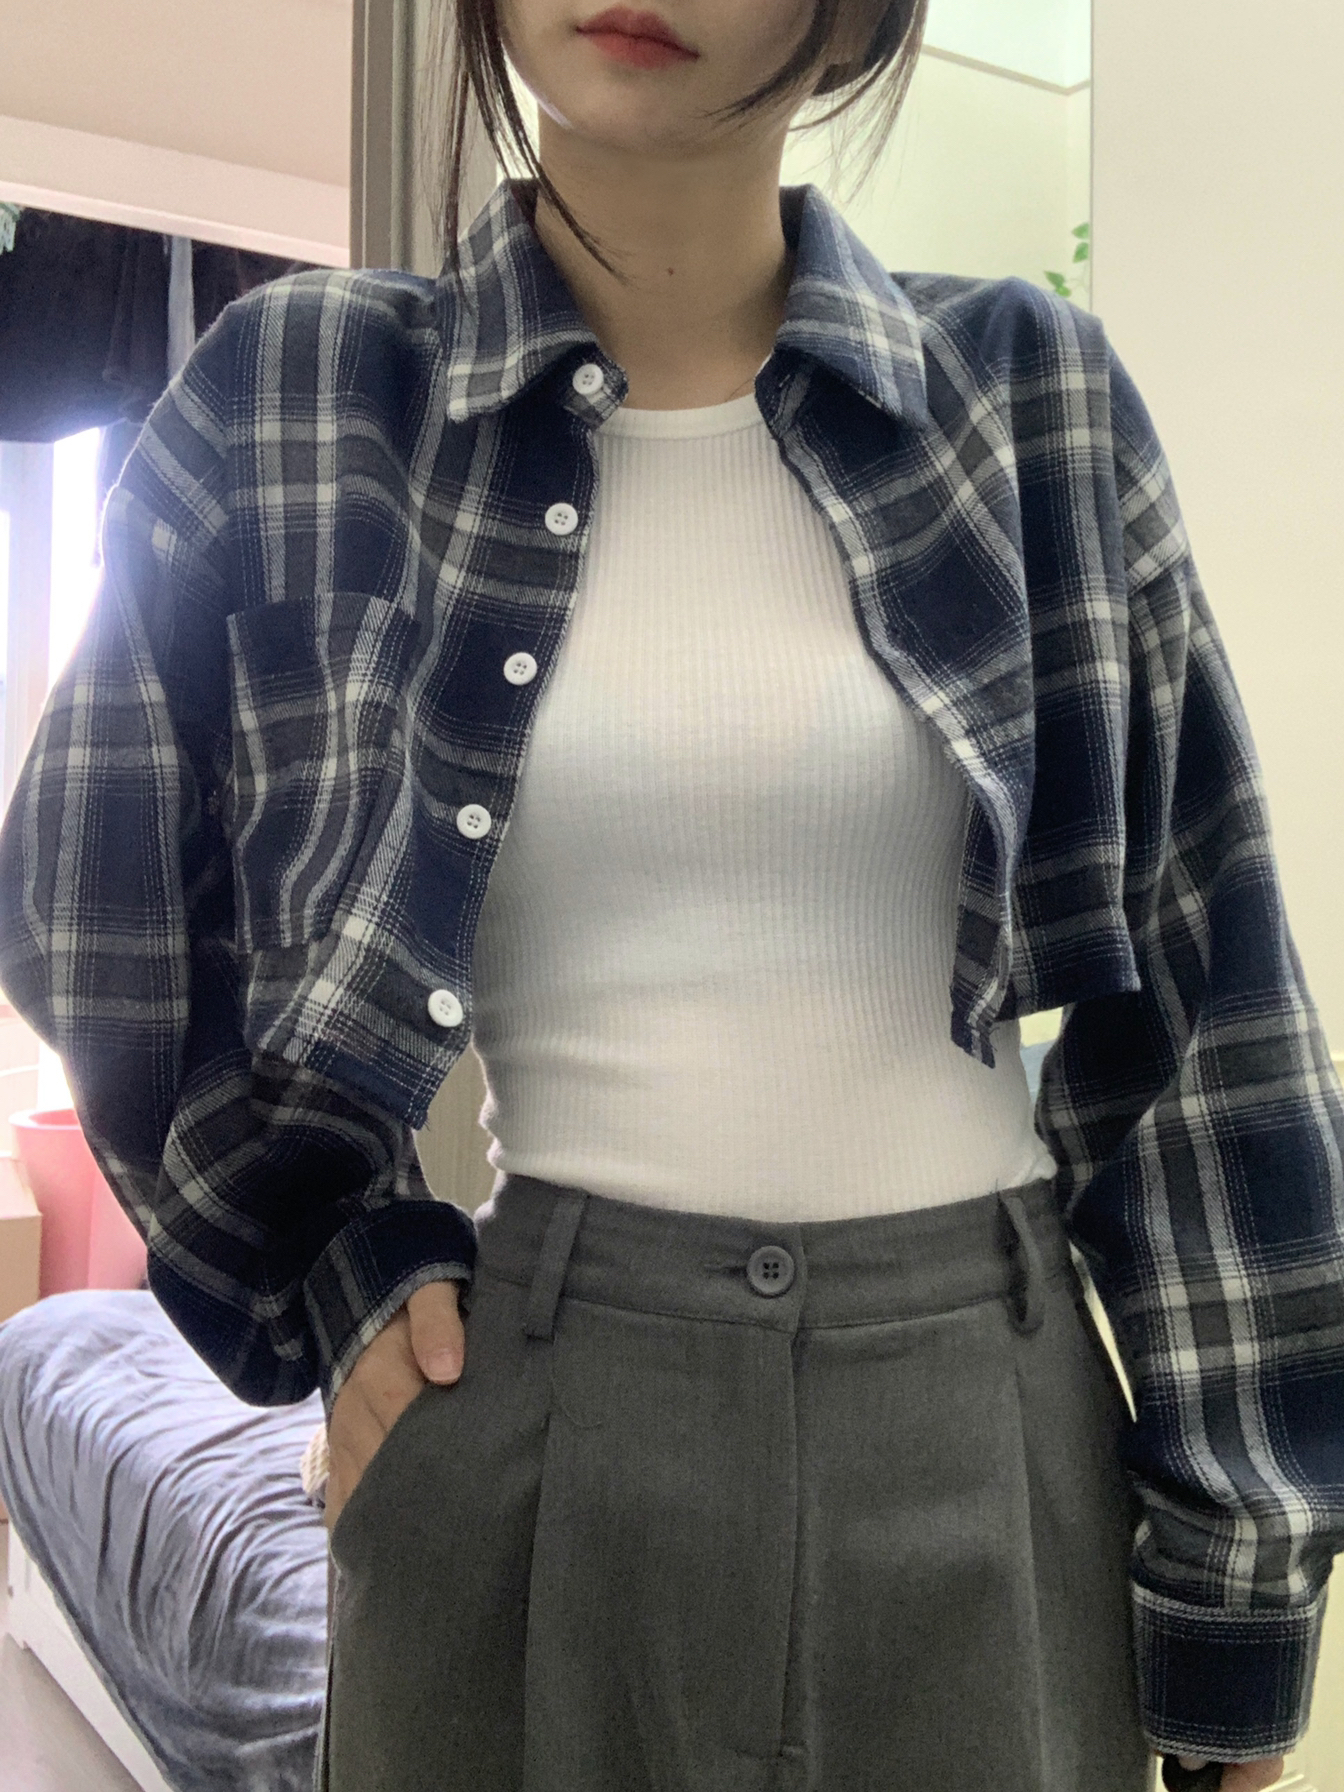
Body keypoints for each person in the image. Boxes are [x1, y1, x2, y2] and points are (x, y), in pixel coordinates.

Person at [0, 1, 1340, 1788]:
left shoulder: (1032, 398)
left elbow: (1204, 1005)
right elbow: (88, 891)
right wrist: (334, 1260)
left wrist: (1243, 1569)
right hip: (531, 1407)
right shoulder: (302, 394)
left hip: (982, 1430)